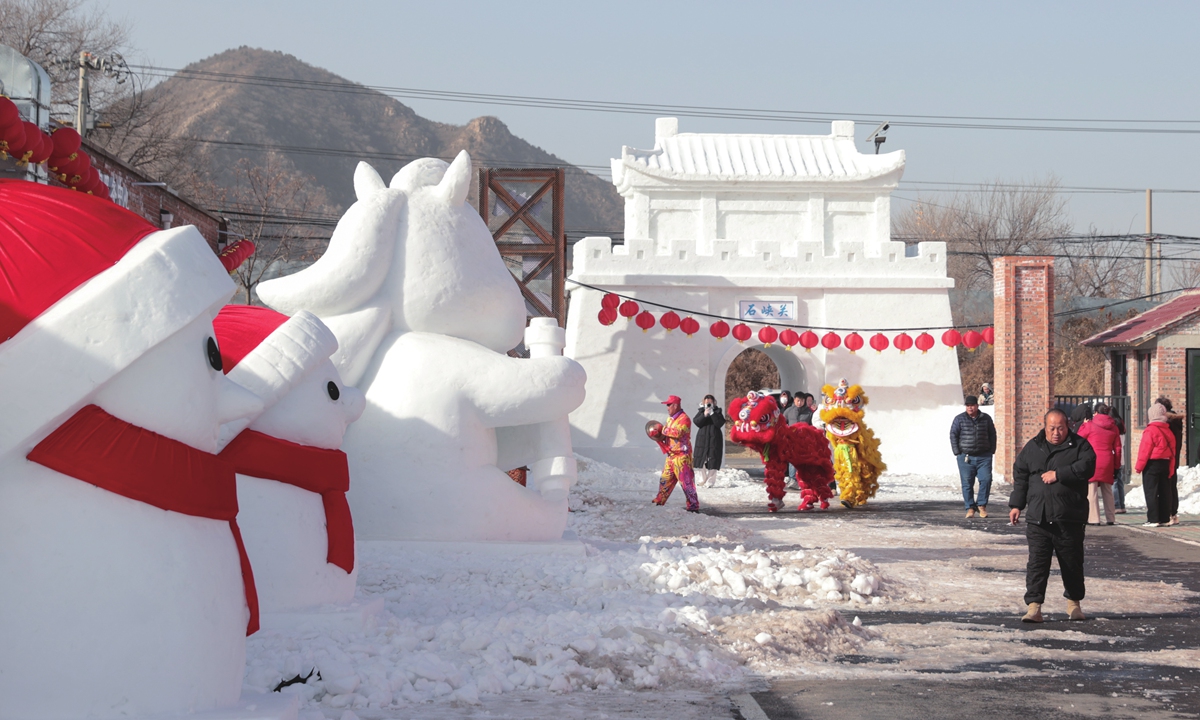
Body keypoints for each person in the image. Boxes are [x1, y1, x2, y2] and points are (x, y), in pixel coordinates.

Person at [1009, 409, 1096, 623]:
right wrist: (1016, 504)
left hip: (1069, 517)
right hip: (1038, 517)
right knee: (1037, 564)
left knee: (1072, 563)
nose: (1056, 432)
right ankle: (1034, 607)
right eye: (1052, 428)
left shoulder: (1079, 446)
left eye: (1060, 428)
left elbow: (1088, 466)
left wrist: (1059, 474)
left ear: (1068, 427)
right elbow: (1020, 475)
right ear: (1045, 426)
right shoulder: (1033, 447)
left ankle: (1074, 604)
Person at [950, 395, 997, 518]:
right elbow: (953, 435)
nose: (970, 408)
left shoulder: (986, 418)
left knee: (986, 480)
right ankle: (970, 508)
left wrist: (991, 450)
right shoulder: (959, 419)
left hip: (984, 456)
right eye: (968, 406)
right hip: (966, 457)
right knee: (967, 483)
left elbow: (992, 434)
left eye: (972, 405)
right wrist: (957, 452)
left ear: (977, 405)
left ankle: (981, 505)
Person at [651, 395, 699, 512]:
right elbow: (665, 435)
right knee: (665, 479)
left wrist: (662, 429)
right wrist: (656, 435)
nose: (667, 408)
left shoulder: (684, 419)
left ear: (675, 405)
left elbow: (678, 433)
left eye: (668, 405)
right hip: (671, 455)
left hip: (682, 456)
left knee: (686, 483)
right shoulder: (670, 419)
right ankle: (659, 501)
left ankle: (693, 506)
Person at [1078, 404, 1121, 525]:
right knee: (1107, 491)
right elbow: (1117, 449)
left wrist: (1084, 424)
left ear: (1096, 412)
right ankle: (1111, 518)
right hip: (1107, 460)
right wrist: (1116, 466)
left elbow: (1079, 437)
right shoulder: (1114, 427)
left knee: (1092, 491)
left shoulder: (1090, 425)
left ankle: (1094, 518)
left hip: (1093, 460)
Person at [1136, 402, 1177, 528]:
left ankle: (1153, 519)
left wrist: (1139, 467)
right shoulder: (1168, 430)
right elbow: (1173, 451)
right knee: (1165, 491)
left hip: (1152, 463)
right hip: (1165, 463)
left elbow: (1145, 450)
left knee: (1151, 491)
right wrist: (1171, 468)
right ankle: (1165, 518)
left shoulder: (1150, 430)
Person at [1155, 397, 1184, 527]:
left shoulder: (1167, 423)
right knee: (1172, 486)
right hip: (1174, 457)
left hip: (1166, 458)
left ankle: (1168, 513)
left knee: (1166, 487)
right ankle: (1173, 514)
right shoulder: (1176, 421)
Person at [692, 394, 725, 488]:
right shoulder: (701, 411)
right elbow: (697, 422)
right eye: (707, 403)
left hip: (715, 439)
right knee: (700, 460)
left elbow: (719, 423)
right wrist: (704, 415)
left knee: (713, 460)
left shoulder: (718, 412)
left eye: (710, 402)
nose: (708, 404)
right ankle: (702, 479)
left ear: (714, 402)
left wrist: (712, 414)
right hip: (702, 439)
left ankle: (710, 481)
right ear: (703, 403)